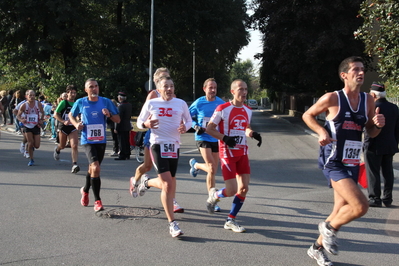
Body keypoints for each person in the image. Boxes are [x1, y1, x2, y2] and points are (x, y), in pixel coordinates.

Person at [302, 56, 385, 266]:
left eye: (362, 69)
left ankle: (316, 248)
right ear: (344, 75)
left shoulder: (368, 100)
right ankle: (329, 229)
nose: (361, 72)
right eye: (355, 69)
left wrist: (378, 125)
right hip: (333, 160)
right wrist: (321, 130)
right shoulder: (332, 98)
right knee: (361, 206)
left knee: (339, 210)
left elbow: (371, 133)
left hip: (352, 161)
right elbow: (307, 115)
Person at [135, 76, 192, 237]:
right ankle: (172, 224)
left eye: (172, 86)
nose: (169, 89)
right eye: (165, 86)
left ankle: (147, 182)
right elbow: (139, 121)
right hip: (157, 144)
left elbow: (189, 121)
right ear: (158, 90)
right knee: (167, 184)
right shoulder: (152, 103)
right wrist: (146, 124)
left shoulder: (180, 103)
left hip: (174, 146)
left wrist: (184, 127)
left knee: (170, 183)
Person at [205, 79, 262, 233]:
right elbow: (209, 129)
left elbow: (246, 127)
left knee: (243, 189)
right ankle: (214, 196)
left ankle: (231, 220)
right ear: (232, 91)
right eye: (240, 89)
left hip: (242, 152)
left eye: (245, 89)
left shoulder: (248, 110)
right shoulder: (223, 108)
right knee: (231, 190)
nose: (244, 92)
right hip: (227, 153)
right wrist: (224, 138)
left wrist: (252, 133)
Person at [129, 67, 185, 213]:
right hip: (154, 135)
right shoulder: (153, 95)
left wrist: (181, 124)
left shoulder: (173, 97)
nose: (166, 83)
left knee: (171, 175)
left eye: (168, 78)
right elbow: (144, 118)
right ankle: (136, 180)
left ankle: (172, 199)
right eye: (162, 78)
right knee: (147, 167)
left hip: (171, 139)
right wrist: (147, 123)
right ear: (156, 81)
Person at [69, 78, 120, 212]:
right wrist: (76, 124)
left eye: (96, 86)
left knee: (93, 169)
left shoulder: (105, 101)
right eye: (91, 87)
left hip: (101, 140)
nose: (94, 89)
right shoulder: (81, 102)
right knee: (96, 167)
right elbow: (71, 115)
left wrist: (109, 114)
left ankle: (85, 190)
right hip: (87, 140)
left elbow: (118, 119)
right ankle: (98, 201)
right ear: (86, 90)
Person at [188, 78, 225, 212]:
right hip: (202, 137)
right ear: (204, 89)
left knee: (213, 170)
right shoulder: (199, 102)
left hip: (216, 138)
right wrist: (194, 125)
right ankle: (212, 201)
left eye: (215, 87)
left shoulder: (221, 103)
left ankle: (196, 165)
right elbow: (186, 116)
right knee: (210, 167)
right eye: (210, 87)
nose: (213, 90)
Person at [363, 82, 399, 208]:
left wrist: (365, 144)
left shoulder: (371, 107)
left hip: (374, 145)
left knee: (373, 172)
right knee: (388, 171)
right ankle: (388, 198)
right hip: (390, 144)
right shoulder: (394, 107)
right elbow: (397, 128)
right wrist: (395, 143)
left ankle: (375, 198)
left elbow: (368, 129)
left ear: (373, 94)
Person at [53, 85, 81, 174]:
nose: (73, 94)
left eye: (74, 93)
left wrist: (78, 120)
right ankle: (57, 150)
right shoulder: (63, 103)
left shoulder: (77, 103)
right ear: (67, 93)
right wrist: (63, 121)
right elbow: (55, 114)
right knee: (62, 145)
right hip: (64, 127)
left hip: (73, 127)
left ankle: (74, 164)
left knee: (74, 145)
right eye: (71, 93)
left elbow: (79, 115)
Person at [16, 90, 44, 166]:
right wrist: (22, 120)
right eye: (30, 95)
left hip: (36, 125)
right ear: (26, 96)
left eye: (33, 95)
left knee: (37, 145)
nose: (32, 97)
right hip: (27, 126)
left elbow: (42, 112)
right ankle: (31, 159)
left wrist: (41, 120)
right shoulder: (24, 105)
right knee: (30, 143)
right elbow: (18, 115)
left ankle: (28, 147)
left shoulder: (38, 104)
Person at [114, 91, 132, 160]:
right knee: (126, 140)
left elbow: (119, 117)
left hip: (121, 126)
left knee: (121, 141)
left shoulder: (121, 106)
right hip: (127, 125)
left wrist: (116, 128)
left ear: (120, 98)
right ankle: (127, 153)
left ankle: (122, 154)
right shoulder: (129, 105)